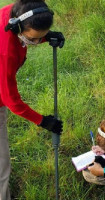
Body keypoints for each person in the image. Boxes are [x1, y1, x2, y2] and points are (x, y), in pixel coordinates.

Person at [0, 0, 65, 199]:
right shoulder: (6, 51)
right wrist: (43, 121)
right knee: (2, 166)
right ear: (17, 28)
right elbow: (11, 100)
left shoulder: (15, 13)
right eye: (33, 39)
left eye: (41, 38)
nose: (36, 43)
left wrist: (47, 37)